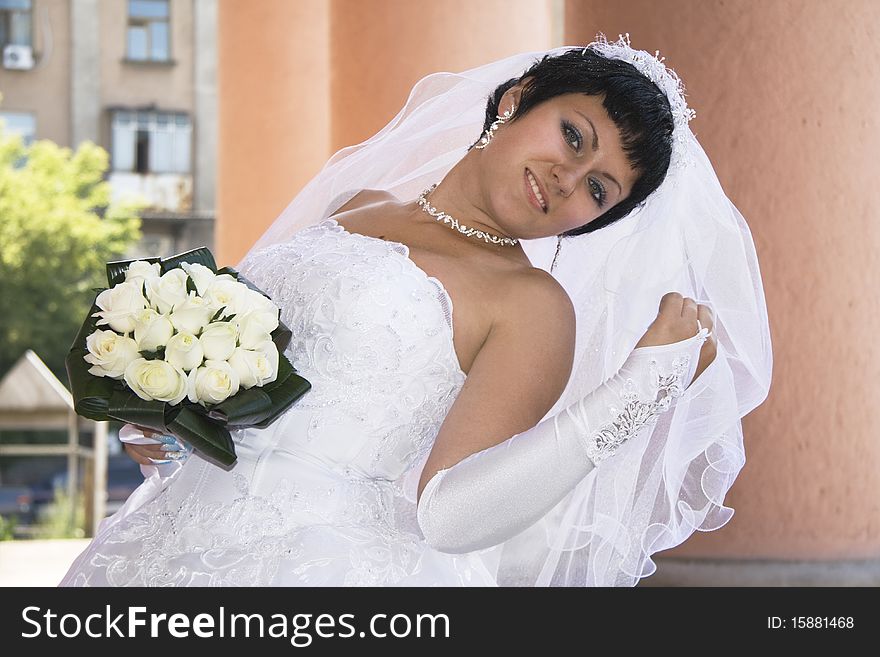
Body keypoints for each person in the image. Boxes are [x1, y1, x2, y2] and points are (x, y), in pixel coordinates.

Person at [59, 35, 771, 587]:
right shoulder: (357, 207)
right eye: (573, 137)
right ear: (514, 101)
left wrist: (641, 388)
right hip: (169, 531)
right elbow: (262, 381)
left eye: (598, 191)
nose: (566, 179)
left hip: (321, 571)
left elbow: (454, 516)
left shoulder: (530, 306)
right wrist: (174, 418)